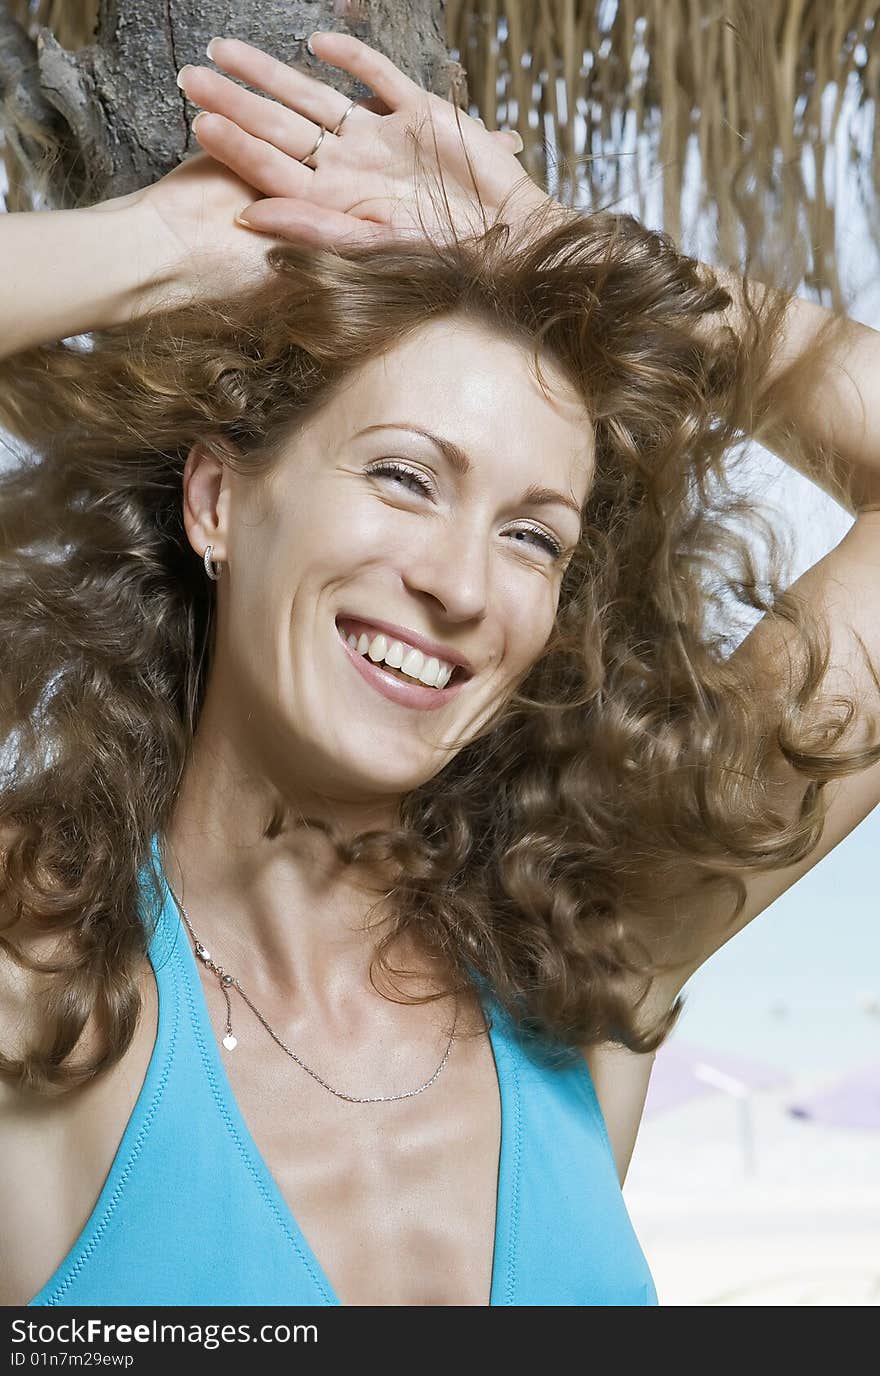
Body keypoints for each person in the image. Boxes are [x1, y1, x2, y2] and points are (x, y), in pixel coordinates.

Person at [0, 30, 878, 1308]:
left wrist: (562, 250)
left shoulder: (588, 957)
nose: (461, 586)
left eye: (532, 535)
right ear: (219, 500)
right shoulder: (43, 983)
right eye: (404, 475)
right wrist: (176, 251)